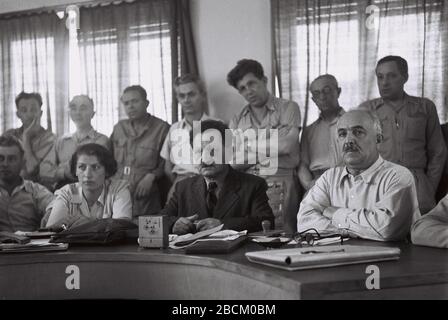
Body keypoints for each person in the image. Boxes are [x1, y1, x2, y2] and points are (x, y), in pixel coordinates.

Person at [297, 110, 420, 241]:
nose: (349, 140)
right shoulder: (329, 178)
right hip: (340, 258)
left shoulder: (398, 176)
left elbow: (386, 228)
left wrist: (335, 214)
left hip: (392, 259)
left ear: (378, 138)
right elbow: (304, 222)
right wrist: (356, 229)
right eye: (342, 134)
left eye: (358, 132)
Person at [358, 55, 447, 214]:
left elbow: (438, 151)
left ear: (405, 77)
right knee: (379, 234)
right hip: (379, 184)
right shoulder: (366, 109)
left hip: (417, 185)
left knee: (420, 234)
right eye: (380, 77)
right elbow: (360, 153)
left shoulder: (425, 107)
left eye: (392, 76)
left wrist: (428, 186)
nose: (384, 82)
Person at [227, 59, 301, 234]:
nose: (248, 91)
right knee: (253, 236)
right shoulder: (237, 120)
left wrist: (248, 146)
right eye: (242, 88)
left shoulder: (288, 108)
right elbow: (233, 162)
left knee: (285, 236)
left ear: (264, 80)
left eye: (251, 83)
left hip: (282, 182)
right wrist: (271, 149)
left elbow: (287, 147)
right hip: (249, 187)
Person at [163, 120, 274, 235]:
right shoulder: (183, 188)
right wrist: (173, 224)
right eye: (199, 152)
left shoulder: (253, 185)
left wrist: (223, 225)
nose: (205, 159)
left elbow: (266, 221)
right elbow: (158, 219)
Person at [110, 85, 169, 218]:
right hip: (117, 191)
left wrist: (151, 176)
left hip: (145, 194)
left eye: (135, 101)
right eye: (126, 103)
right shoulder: (119, 128)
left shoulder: (161, 128)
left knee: (146, 233)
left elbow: (166, 162)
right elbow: (107, 159)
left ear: (146, 103)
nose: (130, 106)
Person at [45, 143, 132, 229]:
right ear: (75, 171)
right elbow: (51, 231)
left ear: (107, 171)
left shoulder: (119, 189)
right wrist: (61, 226)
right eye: (82, 167)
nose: (87, 174)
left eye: (96, 167)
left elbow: (123, 226)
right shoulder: (67, 192)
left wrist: (92, 224)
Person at [160, 74, 214, 201]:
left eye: (191, 94)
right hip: (180, 183)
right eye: (182, 96)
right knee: (172, 219)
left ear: (202, 95)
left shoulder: (219, 125)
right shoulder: (174, 129)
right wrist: (182, 182)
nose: (186, 100)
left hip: (210, 183)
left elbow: (227, 163)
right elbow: (167, 168)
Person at [43, 95, 109, 189]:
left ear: (93, 113)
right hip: (64, 191)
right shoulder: (62, 141)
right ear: (69, 113)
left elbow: (98, 172)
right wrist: (64, 172)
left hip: (92, 192)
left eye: (83, 108)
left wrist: (60, 168)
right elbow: (44, 170)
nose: (78, 113)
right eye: (73, 108)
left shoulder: (101, 141)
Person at [299, 74, 345, 191]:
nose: (322, 97)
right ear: (313, 100)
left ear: (338, 92)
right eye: (317, 93)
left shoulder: (354, 123)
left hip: (348, 182)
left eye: (327, 91)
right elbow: (303, 164)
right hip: (317, 185)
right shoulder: (308, 131)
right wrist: (309, 185)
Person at [0, 135, 54, 232]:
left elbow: (55, 204)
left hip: (30, 244)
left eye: (11, 159)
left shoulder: (35, 191)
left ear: (22, 163)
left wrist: (53, 211)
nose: (5, 164)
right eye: (1, 158)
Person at [4, 92, 55, 188]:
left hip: (36, 190)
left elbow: (31, 169)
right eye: (24, 110)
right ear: (18, 114)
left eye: (34, 110)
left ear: (41, 113)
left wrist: (26, 138)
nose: (29, 114)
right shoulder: (9, 135)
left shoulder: (51, 139)